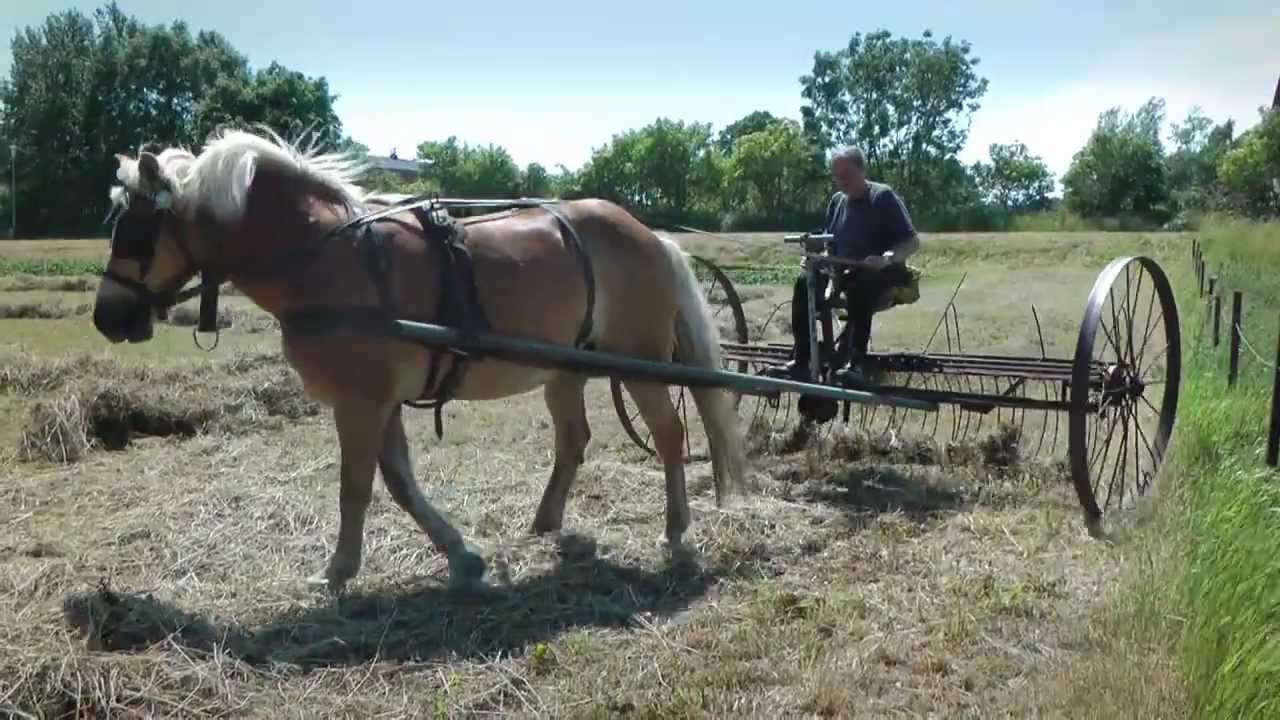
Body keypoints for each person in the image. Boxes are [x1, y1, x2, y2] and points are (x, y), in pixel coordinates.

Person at [770, 146, 920, 386]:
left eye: (847, 174)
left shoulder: (883, 197)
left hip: (883, 273)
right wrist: (818, 258)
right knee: (803, 282)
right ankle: (802, 360)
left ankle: (857, 362)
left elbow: (912, 241)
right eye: (837, 176)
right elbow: (830, 241)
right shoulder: (837, 202)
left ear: (861, 170)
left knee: (860, 285)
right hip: (843, 272)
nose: (842, 181)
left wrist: (887, 257)